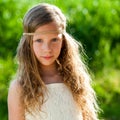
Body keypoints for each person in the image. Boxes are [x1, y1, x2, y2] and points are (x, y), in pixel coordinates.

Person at [8, 3, 99, 120]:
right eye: (39, 40)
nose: (47, 49)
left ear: (64, 41)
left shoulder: (75, 81)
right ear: (29, 43)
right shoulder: (20, 88)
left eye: (54, 40)